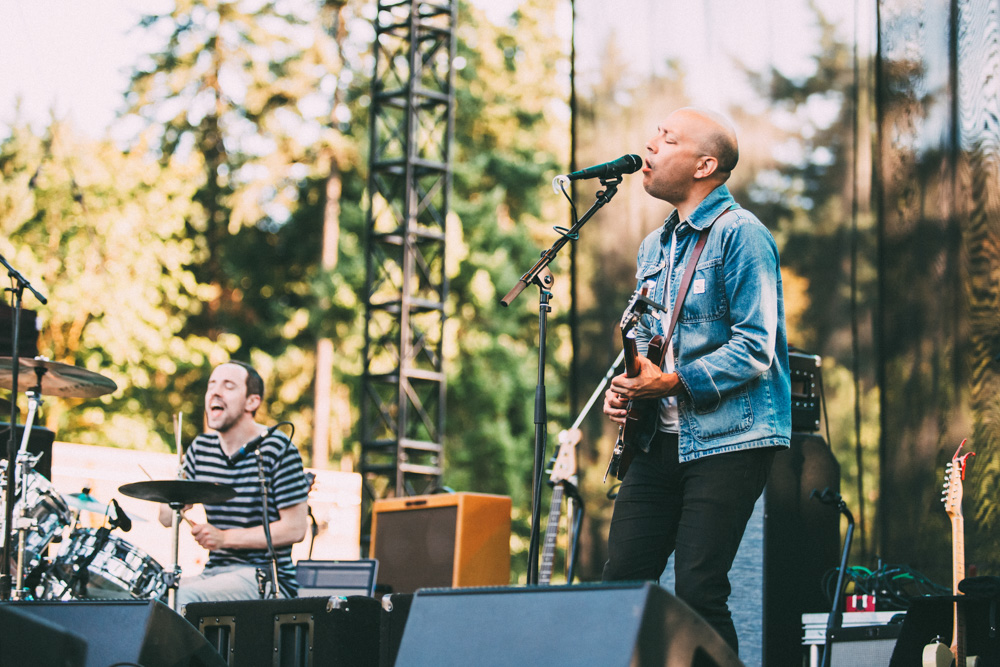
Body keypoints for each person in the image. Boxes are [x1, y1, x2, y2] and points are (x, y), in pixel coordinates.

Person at [602, 107, 791, 654]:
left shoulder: (742, 235)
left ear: (705, 164)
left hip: (730, 441)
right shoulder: (653, 247)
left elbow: (756, 347)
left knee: (698, 591)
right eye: (653, 136)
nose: (650, 145)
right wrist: (629, 389)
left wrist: (670, 384)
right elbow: (651, 346)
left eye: (667, 138)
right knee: (622, 588)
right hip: (656, 441)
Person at [158, 361, 310, 604]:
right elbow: (165, 519)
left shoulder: (277, 448)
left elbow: (295, 528)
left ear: (252, 401)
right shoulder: (201, 448)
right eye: (212, 385)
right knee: (155, 597)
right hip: (215, 572)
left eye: (228, 386)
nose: (216, 392)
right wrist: (176, 499)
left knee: (181, 598)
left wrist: (225, 538)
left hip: (267, 578)